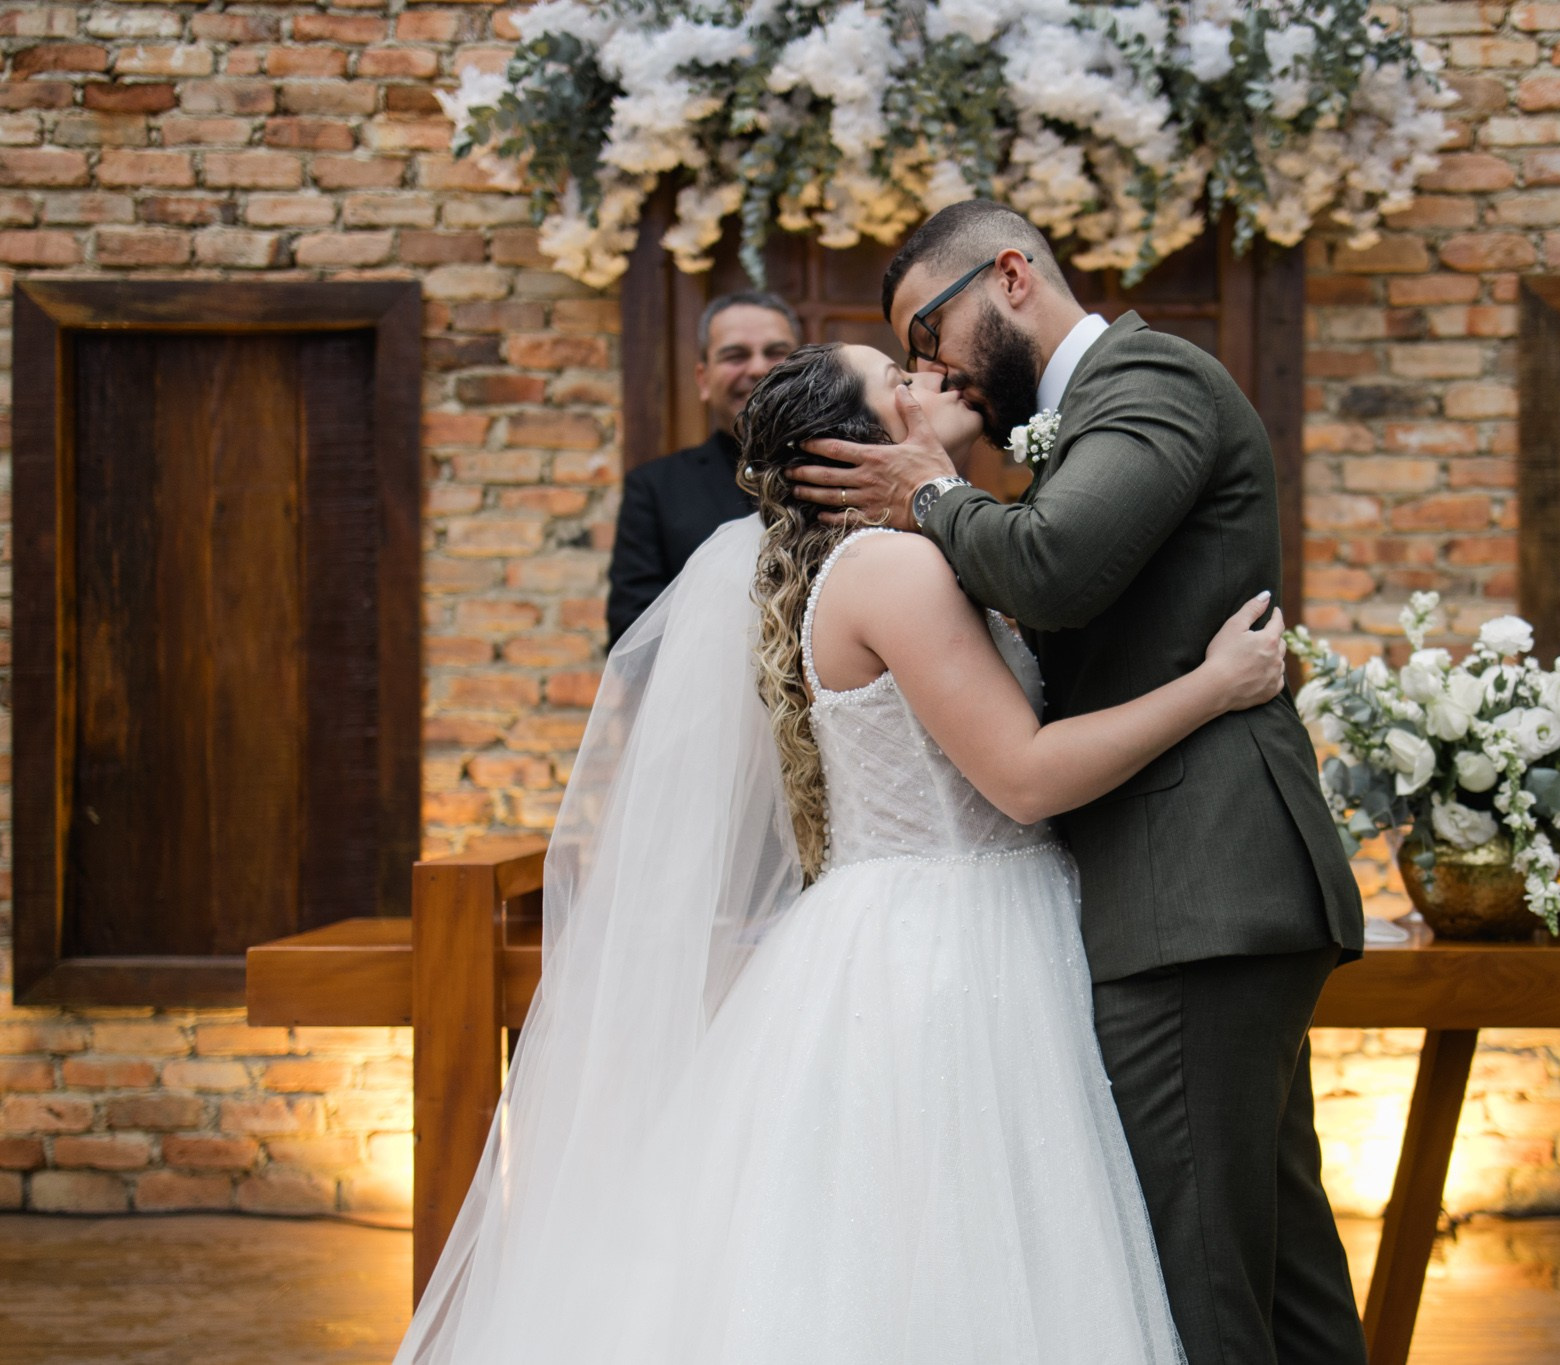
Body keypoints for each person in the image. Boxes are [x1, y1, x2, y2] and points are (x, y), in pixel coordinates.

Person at [393, 340, 1291, 1364]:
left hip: (933, 924)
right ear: (856, 448)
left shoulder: (894, 556)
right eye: (899, 380)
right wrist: (1214, 686)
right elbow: (1025, 777)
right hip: (949, 949)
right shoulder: (894, 570)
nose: (930, 379)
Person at [791, 200, 1370, 1365]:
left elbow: (1052, 568)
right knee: (1275, 1275)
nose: (931, 369)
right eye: (906, 361)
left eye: (928, 333)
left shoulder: (1147, 380)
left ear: (1009, 276)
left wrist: (930, 493)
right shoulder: (1056, 436)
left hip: (1193, 889)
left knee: (1203, 1288)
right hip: (1186, 893)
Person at [605, 290, 800, 647]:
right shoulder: (655, 488)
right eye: (735, 355)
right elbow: (631, 631)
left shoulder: (847, 472)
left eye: (776, 353)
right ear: (703, 379)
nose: (758, 368)